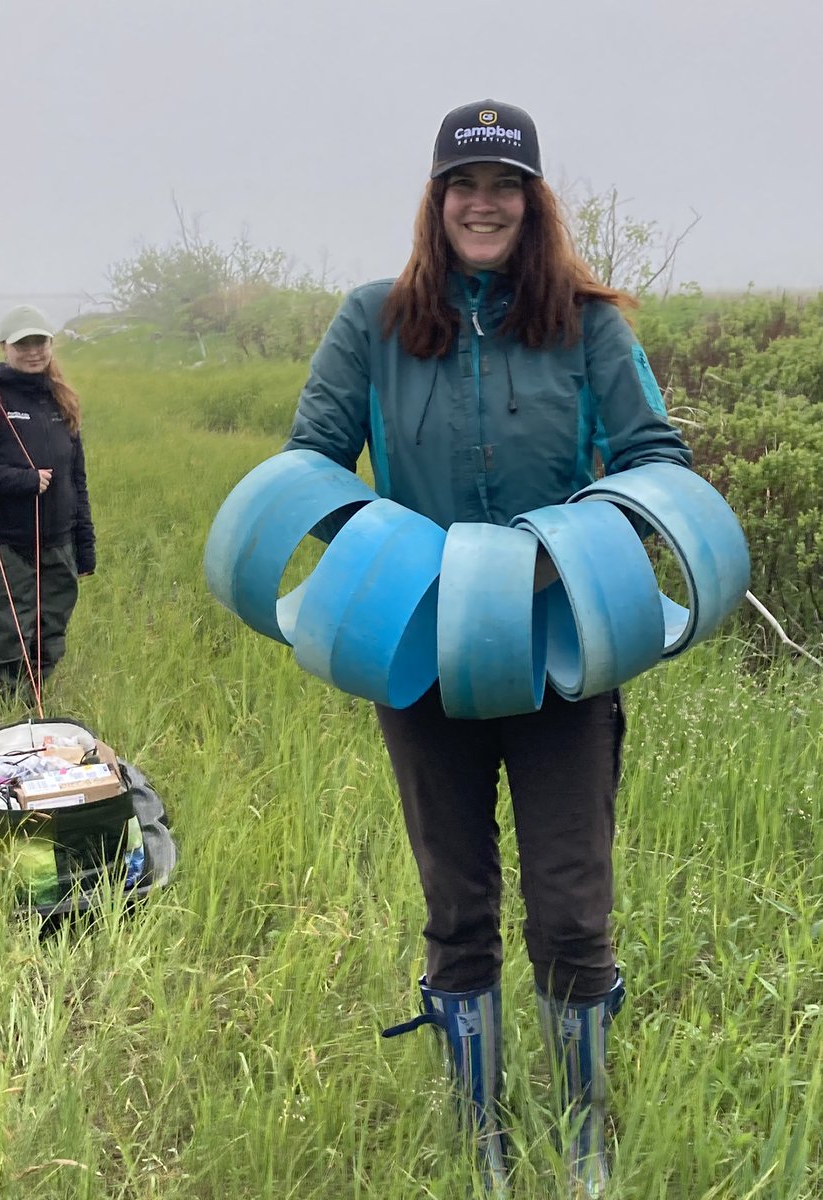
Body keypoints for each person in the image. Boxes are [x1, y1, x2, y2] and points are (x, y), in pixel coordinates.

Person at [284, 100, 692, 1196]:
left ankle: (588, 1141)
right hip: (421, 659)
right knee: (458, 906)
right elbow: (312, 465)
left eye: (503, 186)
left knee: (570, 908)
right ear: (435, 199)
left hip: (564, 656)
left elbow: (659, 462)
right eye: (463, 183)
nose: (482, 202)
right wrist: (398, 565)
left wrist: (570, 550)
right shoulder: (371, 320)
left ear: (532, 201)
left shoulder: (590, 326)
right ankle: (484, 1144)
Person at [0, 304, 95, 717]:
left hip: (57, 544)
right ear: (4, 347)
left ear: (51, 344)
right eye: (22, 343)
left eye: (39, 342)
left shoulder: (61, 401)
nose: (32, 351)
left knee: (48, 638)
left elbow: (75, 479)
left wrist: (85, 544)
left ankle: (33, 715)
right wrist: (23, 480)